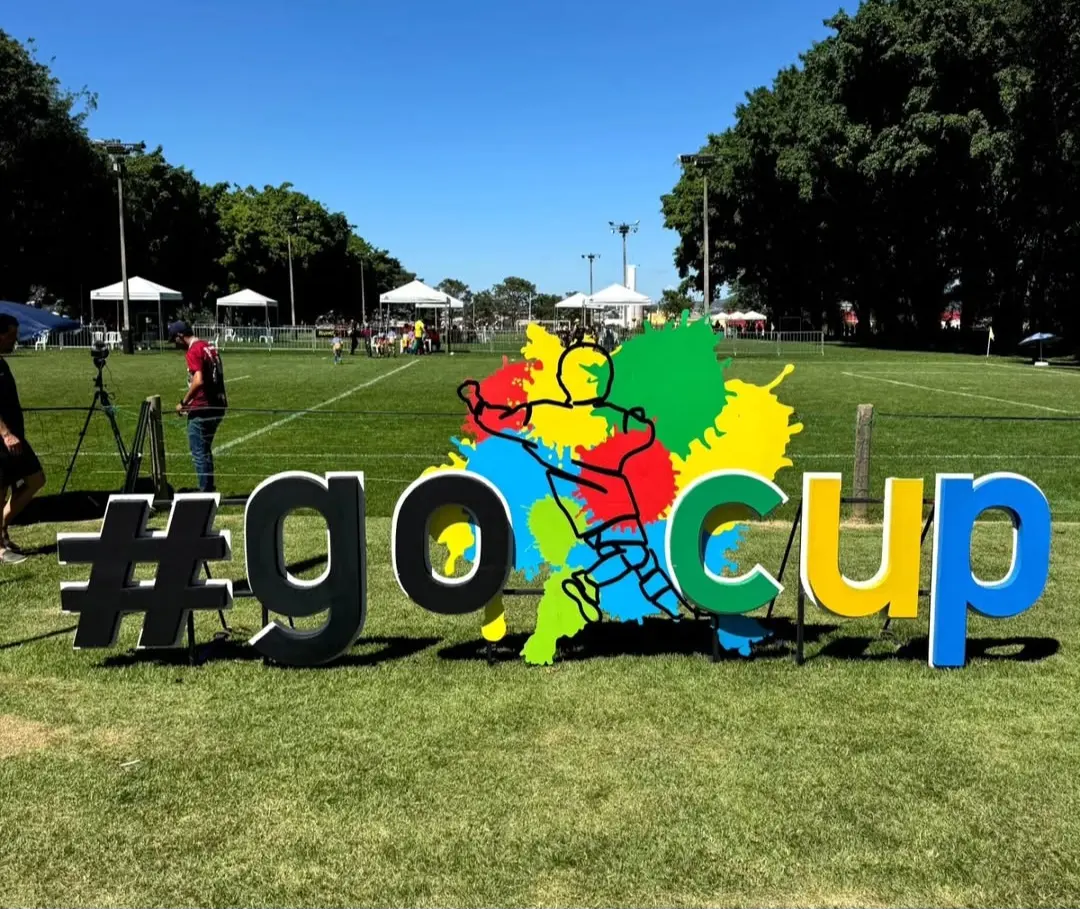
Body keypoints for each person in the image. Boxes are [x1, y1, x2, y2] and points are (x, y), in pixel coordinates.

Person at [458, 342, 684, 623]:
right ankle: (590, 583)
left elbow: (502, 421)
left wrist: (477, 404)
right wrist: (642, 419)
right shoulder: (609, 414)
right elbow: (646, 432)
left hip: (575, 501)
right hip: (611, 497)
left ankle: (672, 609)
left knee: (637, 557)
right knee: (636, 555)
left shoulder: (544, 414)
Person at [0, 314, 45, 563]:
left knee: (35, 479)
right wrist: (5, 434)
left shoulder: (2, 363)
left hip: (15, 437)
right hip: (4, 438)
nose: (14, 341)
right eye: (11, 336)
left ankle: (2, 525)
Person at [169, 321, 228, 494]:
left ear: (180, 336)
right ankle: (208, 487)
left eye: (174, 340)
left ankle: (205, 491)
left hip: (202, 408)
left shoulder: (193, 351)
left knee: (198, 451)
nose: (175, 345)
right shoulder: (208, 346)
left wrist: (184, 403)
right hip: (217, 405)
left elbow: (198, 380)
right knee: (205, 449)